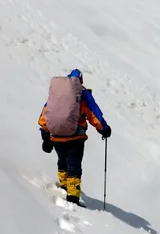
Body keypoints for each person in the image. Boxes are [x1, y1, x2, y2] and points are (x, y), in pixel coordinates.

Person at [39, 69, 111, 205]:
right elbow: (94, 115)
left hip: (56, 136)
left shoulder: (58, 94)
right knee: (74, 165)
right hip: (75, 138)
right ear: (81, 80)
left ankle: (64, 187)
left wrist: (45, 135)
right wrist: (104, 130)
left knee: (62, 161)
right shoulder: (82, 95)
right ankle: (72, 197)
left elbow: (45, 116)